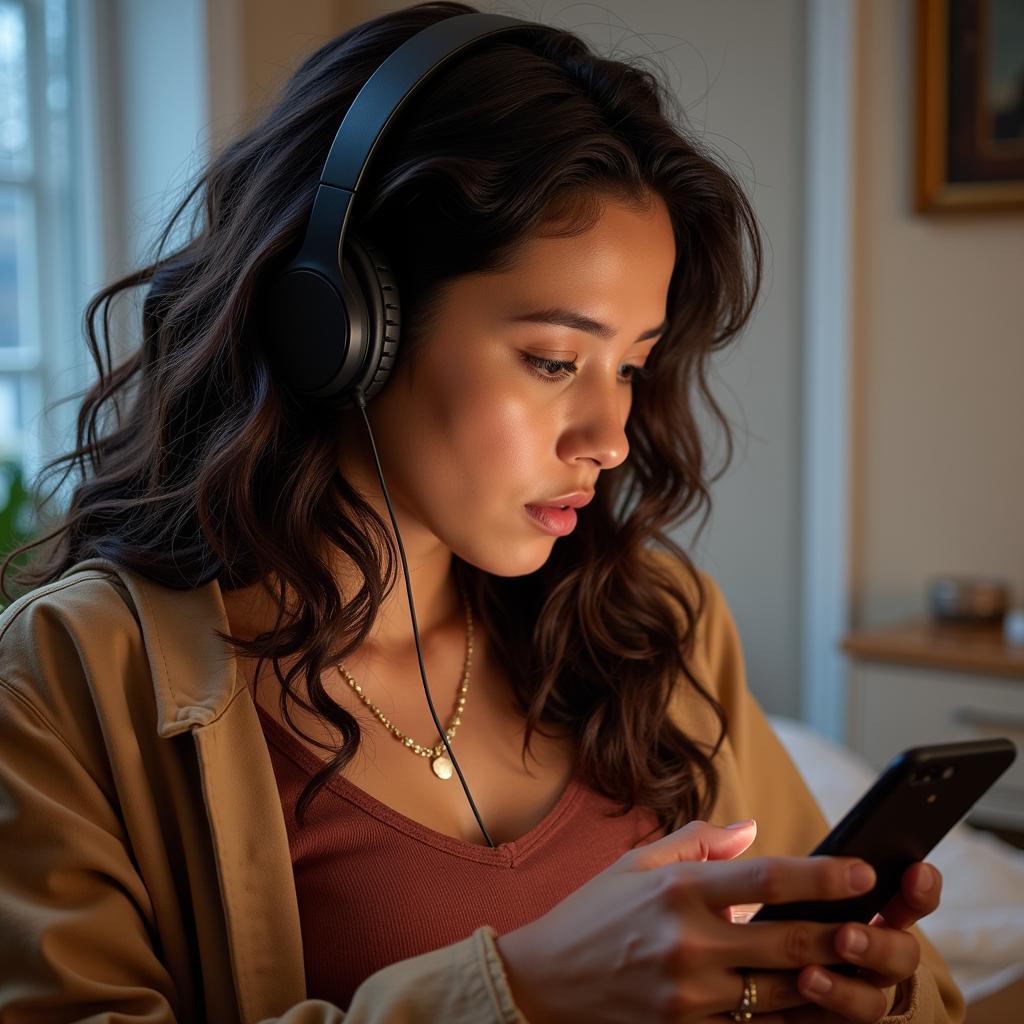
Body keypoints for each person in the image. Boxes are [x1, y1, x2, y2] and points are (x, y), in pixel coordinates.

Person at [0, 2, 965, 1022]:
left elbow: (924, 991)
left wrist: (853, 992)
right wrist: (517, 995)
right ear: (336, 321)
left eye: (631, 365)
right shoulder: (71, 677)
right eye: (554, 360)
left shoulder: (655, 619)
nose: (610, 434)